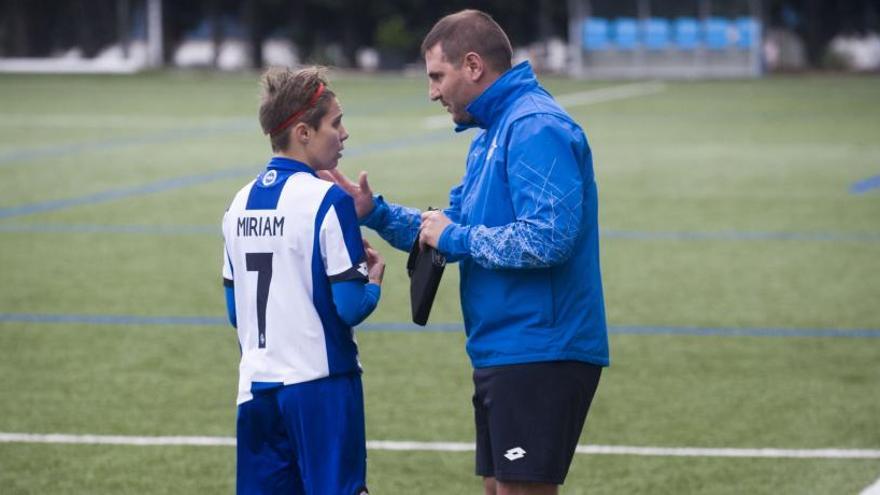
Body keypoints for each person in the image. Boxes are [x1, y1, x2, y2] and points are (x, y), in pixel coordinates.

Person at [321, 9, 609, 495]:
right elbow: (447, 227)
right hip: (503, 348)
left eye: (438, 76)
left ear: (473, 66)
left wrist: (456, 236)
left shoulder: (536, 127)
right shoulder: (491, 135)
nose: (433, 91)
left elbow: (548, 238)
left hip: (541, 349)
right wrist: (374, 212)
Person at [222, 66, 382, 495]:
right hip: (320, 387)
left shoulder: (238, 204)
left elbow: (236, 311)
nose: (344, 133)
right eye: (336, 122)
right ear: (303, 132)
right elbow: (350, 306)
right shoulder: (329, 200)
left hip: (255, 390)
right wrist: (375, 282)